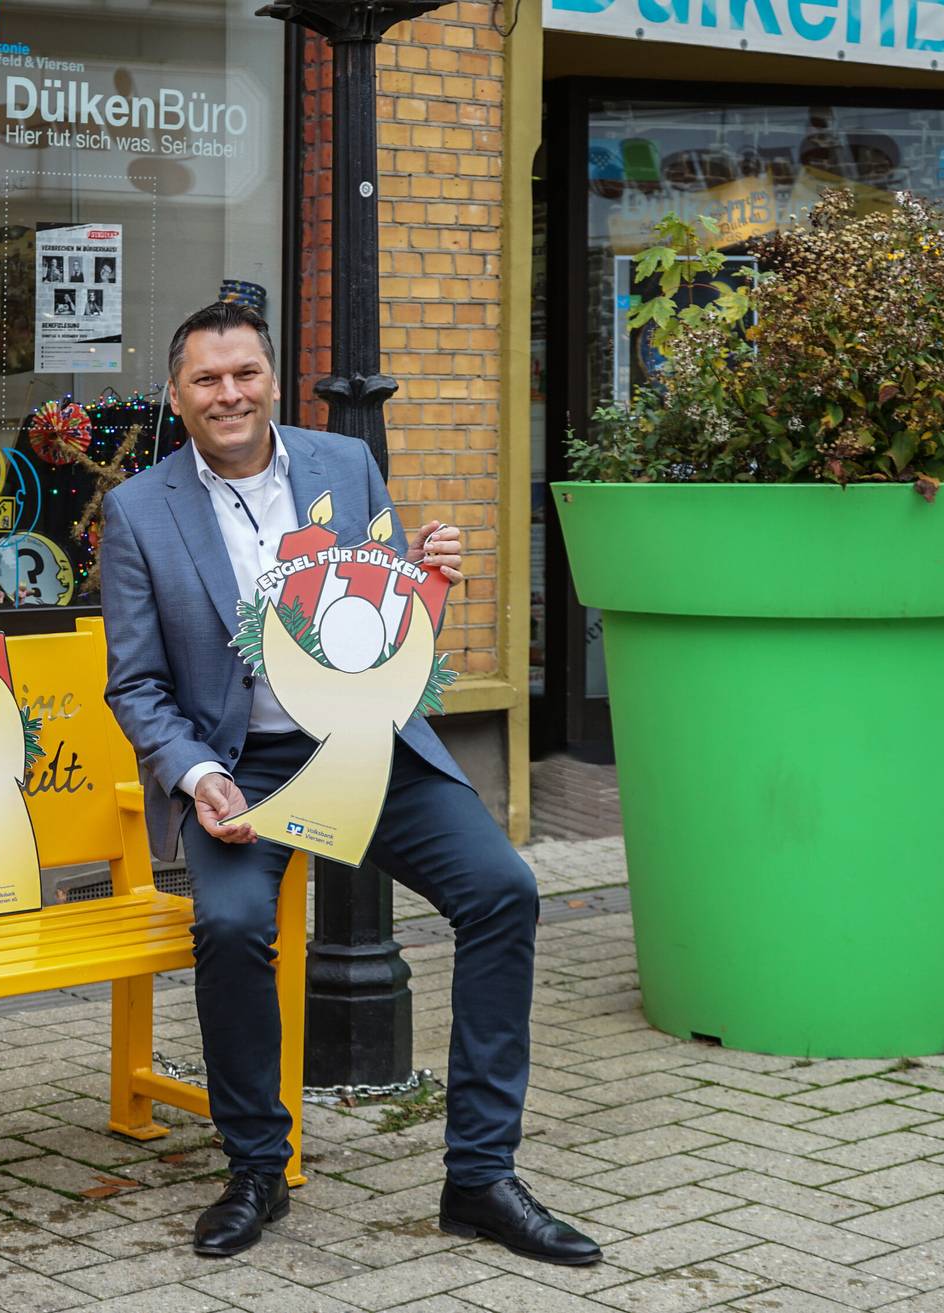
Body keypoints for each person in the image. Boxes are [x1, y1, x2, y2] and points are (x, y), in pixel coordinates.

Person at [99, 301, 601, 1267]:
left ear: (272, 379)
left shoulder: (345, 464)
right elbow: (137, 685)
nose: (229, 394)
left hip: (370, 742)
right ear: (177, 395)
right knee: (231, 926)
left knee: (503, 890)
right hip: (242, 768)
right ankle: (256, 1166)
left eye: (244, 373)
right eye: (206, 380)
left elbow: (387, 620)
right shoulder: (138, 511)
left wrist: (429, 576)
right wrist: (198, 776)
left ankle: (481, 1176)